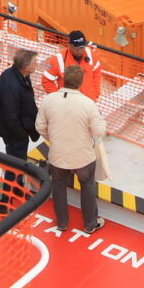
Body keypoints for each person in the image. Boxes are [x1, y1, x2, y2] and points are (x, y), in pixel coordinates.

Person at [39, 65, 108, 236]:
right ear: (81, 82)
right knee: (88, 186)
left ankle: (62, 223)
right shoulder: (88, 104)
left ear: (62, 79)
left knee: (59, 186)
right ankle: (90, 224)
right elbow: (99, 131)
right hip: (83, 156)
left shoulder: (49, 100)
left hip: (57, 154)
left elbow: (40, 126)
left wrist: (53, 139)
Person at [0, 47, 40, 212]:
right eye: (35, 62)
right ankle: (4, 203)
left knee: (19, 163)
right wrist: (21, 135)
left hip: (16, 130)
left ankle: (16, 189)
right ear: (27, 67)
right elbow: (10, 115)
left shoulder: (18, 75)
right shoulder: (13, 85)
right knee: (14, 164)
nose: (37, 65)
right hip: (14, 132)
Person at [38, 29, 102, 100]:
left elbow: (97, 72)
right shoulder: (58, 60)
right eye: (76, 48)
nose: (80, 51)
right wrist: (58, 98)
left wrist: (96, 92)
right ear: (69, 45)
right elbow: (46, 80)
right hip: (69, 103)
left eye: (82, 48)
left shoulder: (91, 54)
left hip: (89, 101)